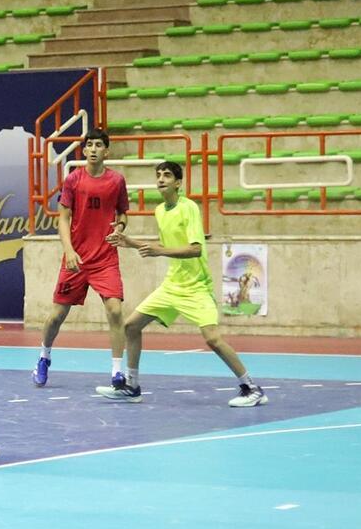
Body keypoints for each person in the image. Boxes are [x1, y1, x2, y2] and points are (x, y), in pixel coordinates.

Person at [103, 161, 268, 407]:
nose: (161, 179)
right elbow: (164, 246)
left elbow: (195, 249)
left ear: (178, 183)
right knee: (131, 326)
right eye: (158, 175)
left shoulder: (188, 208)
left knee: (212, 339)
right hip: (172, 285)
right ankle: (132, 387)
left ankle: (252, 388)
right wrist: (131, 242)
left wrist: (160, 252)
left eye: (167, 175)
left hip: (196, 286)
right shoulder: (160, 211)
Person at [32, 129, 130, 390]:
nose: (94, 149)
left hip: (105, 259)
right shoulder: (73, 180)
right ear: (84, 150)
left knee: (115, 310)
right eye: (90, 145)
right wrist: (69, 251)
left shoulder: (117, 181)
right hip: (76, 259)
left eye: (99, 145)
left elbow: (123, 213)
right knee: (56, 316)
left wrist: (120, 227)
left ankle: (117, 372)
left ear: (106, 151)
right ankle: (44, 356)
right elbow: (63, 219)